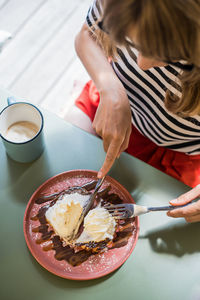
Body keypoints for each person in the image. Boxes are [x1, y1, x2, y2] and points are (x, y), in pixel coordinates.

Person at [65, 0, 200, 222]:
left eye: (170, 56)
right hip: (107, 105)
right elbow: (86, 35)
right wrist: (109, 87)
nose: (142, 63)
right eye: (132, 41)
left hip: (176, 157)